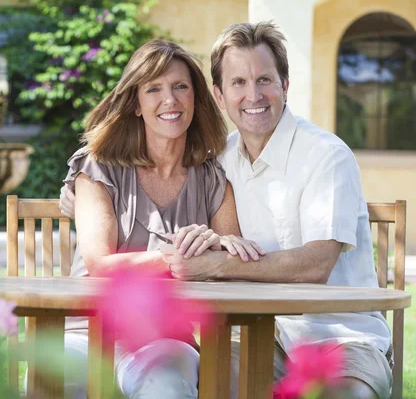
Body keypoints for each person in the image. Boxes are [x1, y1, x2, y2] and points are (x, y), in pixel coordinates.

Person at [61, 23, 393, 399]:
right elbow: (111, 229)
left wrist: (215, 263)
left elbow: (315, 266)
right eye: (238, 82)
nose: (254, 95)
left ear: (285, 84)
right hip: (258, 336)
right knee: (215, 387)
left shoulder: (325, 156)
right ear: (219, 95)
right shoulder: (220, 160)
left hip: (339, 337)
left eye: (265, 79)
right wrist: (78, 195)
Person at [60, 39, 261, 399]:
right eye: (154, 89)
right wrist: (180, 258)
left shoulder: (213, 177)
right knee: (57, 381)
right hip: (85, 332)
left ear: (195, 98)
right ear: (136, 104)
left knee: (166, 386)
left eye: (180, 86)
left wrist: (215, 249)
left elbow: (231, 262)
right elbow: (100, 264)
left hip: (166, 338)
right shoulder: (98, 167)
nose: (169, 100)